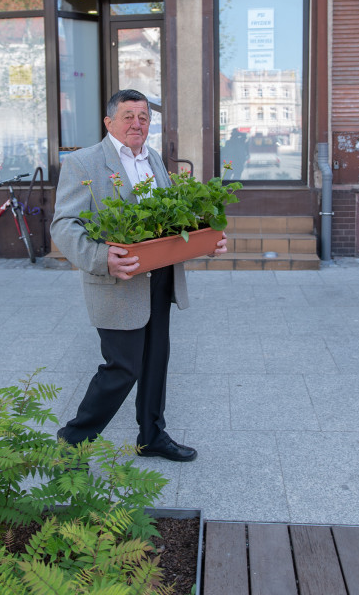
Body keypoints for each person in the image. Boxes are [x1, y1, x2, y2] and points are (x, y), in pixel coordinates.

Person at [50, 89, 227, 461]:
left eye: (143, 117)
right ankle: (72, 444)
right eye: (128, 115)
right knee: (122, 369)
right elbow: (64, 227)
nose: (137, 123)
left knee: (155, 360)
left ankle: (152, 436)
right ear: (109, 122)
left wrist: (204, 239)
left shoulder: (155, 159)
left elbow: (166, 221)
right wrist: (102, 258)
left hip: (159, 277)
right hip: (118, 281)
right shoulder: (84, 163)